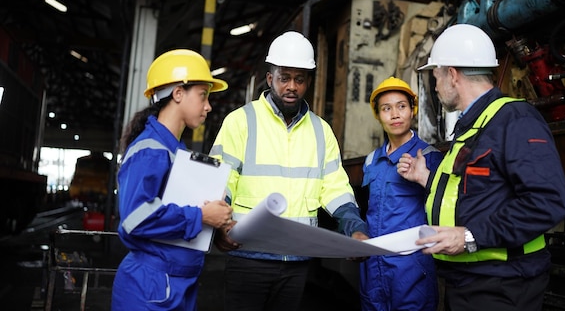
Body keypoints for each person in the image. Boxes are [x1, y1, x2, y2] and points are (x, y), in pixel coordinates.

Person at [397, 24, 565, 311]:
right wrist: (428, 178)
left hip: (504, 286)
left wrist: (468, 237)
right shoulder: (475, 124)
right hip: (470, 282)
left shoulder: (515, 119)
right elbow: (476, 190)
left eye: (436, 76)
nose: (436, 86)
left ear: (452, 74)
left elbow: (547, 201)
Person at [209, 30, 369, 311]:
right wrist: (221, 227)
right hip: (248, 256)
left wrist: (354, 229)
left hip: (297, 261)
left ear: (309, 81)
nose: (291, 86)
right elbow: (221, 180)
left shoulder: (321, 131)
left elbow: (335, 188)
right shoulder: (240, 122)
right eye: (284, 78)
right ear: (270, 79)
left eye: (299, 79)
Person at [111, 49, 234, 311]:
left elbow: (175, 212)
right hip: (150, 287)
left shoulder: (175, 152)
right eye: (203, 96)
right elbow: (134, 219)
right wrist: (201, 217)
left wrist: (217, 223)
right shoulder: (150, 150)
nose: (208, 106)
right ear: (178, 93)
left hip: (173, 284)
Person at [360, 76, 442, 311]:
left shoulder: (429, 156)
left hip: (411, 267)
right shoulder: (371, 161)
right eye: (386, 109)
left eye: (402, 106)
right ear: (378, 115)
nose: (395, 114)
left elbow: (445, 204)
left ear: (413, 110)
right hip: (373, 265)